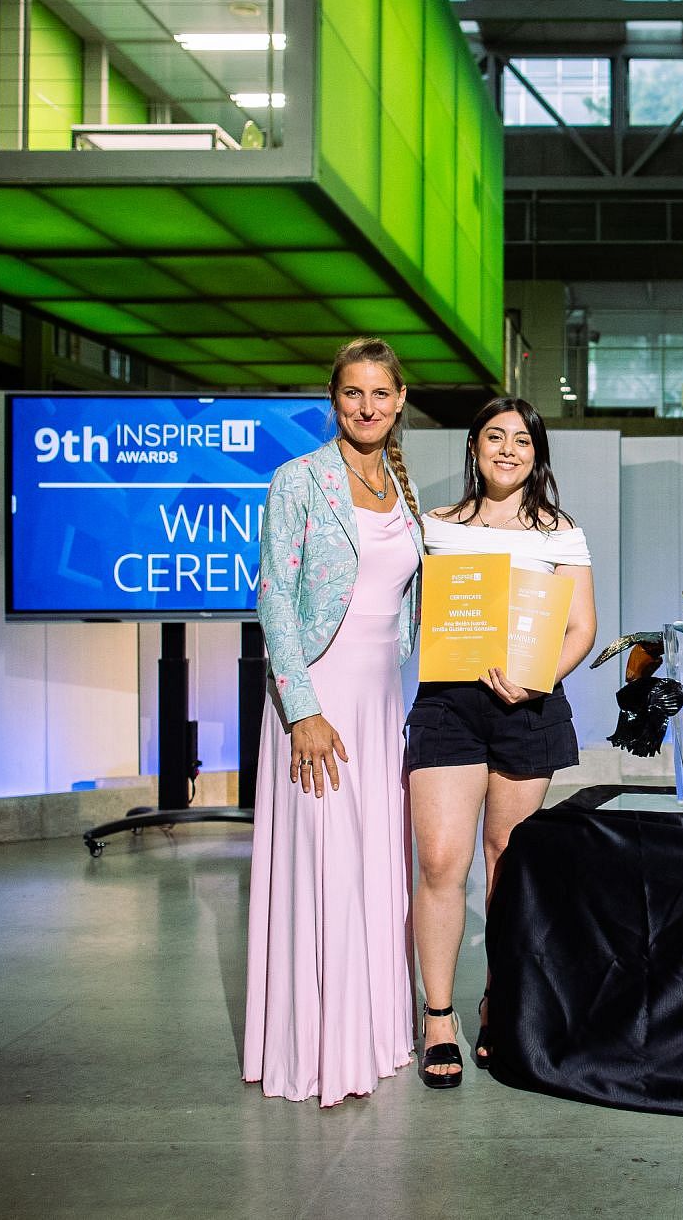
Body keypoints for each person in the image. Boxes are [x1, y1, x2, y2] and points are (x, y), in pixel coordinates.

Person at [245, 336, 425, 1107]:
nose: (367, 406)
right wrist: (302, 711)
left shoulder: (401, 485)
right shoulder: (299, 479)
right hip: (319, 702)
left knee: (373, 863)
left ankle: (376, 1036)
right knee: (327, 864)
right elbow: (273, 598)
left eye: (381, 393)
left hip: (381, 704)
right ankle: (319, 1051)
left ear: (400, 399)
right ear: (334, 398)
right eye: (353, 392)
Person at [408, 397, 597, 1089]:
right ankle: (437, 1016)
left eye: (522, 439)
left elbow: (581, 628)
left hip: (528, 707)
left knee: (505, 866)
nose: (508, 449)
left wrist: (534, 677)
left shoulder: (561, 533)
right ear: (474, 446)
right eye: (495, 436)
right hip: (448, 706)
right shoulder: (436, 527)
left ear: (536, 453)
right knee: (440, 860)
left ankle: (496, 1002)